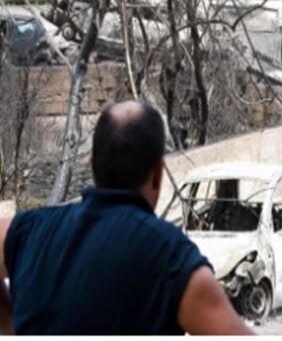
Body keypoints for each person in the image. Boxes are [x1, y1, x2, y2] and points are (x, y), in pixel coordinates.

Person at [0, 101, 252, 335]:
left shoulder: (28, 230)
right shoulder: (170, 257)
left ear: (92, 165)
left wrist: (13, 325)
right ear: (158, 174)